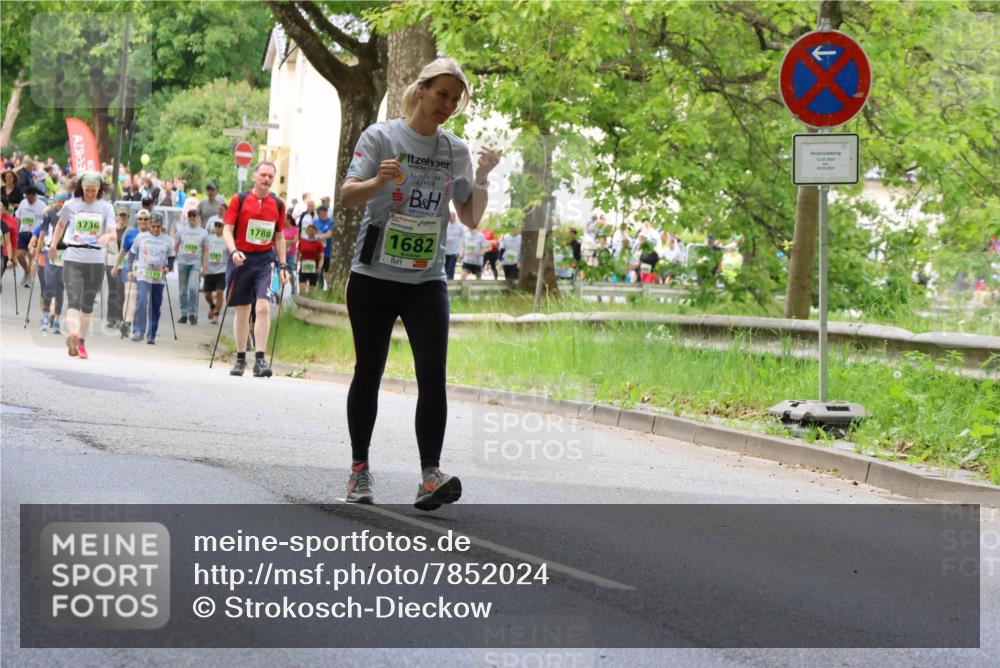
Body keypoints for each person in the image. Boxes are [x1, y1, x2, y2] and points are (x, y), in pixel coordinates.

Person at [340, 57, 500, 510]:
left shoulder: (455, 151)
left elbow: (470, 217)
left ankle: (430, 474)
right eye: (441, 94)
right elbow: (348, 194)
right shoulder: (382, 136)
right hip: (374, 274)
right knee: (368, 371)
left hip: (427, 278)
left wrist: (483, 176)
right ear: (421, 90)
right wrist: (378, 180)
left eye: (455, 99)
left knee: (432, 373)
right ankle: (358, 470)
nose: (447, 105)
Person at [222, 161, 289, 377]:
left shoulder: (278, 205)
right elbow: (227, 230)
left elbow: (279, 237)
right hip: (241, 258)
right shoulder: (239, 199)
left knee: (263, 307)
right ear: (254, 176)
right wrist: (233, 252)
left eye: (271, 176)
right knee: (243, 310)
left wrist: (283, 265)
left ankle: (260, 360)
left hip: (265, 261)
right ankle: (240, 357)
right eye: (263, 175)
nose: (267, 179)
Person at [47, 172, 116, 359]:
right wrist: (53, 244)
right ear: (81, 188)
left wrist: (106, 237)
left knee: (87, 305)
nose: (91, 194)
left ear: (100, 189)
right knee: (74, 300)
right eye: (87, 190)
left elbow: (113, 233)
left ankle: (82, 342)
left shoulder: (106, 207)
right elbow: (60, 225)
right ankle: (72, 334)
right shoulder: (71, 204)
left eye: (94, 190)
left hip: (94, 260)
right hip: (73, 257)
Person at [128, 213, 175, 344]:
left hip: (158, 277)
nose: (155, 229)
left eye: (158, 227)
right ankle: (138, 330)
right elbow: (132, 253)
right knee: (141, 301)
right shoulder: (141, 237)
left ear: (161, 226)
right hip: (143, 274)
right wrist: (131, 269)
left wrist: (168, 268)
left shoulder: (167, 240)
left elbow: (171, 257)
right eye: (153, 226)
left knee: (155, 305)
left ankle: (151, 334)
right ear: (149, 225)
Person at [175, 209, 208, 324]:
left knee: (193, 288)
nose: (192, 217)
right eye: (190, 215)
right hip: (183, 262)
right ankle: (184, 314)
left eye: (194, 215)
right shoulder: (181, 231)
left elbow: (206, 251)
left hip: (195, 263)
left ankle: (192, 313)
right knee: (182, 291)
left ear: (199, 218)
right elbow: (176, 245)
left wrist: (204, 267)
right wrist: (175, 259)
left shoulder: (203, 233)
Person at [15, 189, 47, 286]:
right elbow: (18, 217)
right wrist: (17, 230)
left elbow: (45, 221)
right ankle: (27, 271)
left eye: (30, 198)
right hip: (23, 232)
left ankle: (28, 278)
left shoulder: (42, 205)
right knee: (19, 255)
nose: (28, 200)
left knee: (31, 254)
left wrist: (41, 234)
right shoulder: (23, 202)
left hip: (34, 233)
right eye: (27, 197)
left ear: (34, 195)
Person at [203, 220, 227, 324]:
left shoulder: (227, 240)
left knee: (219, 292)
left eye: (220, 226)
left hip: (222, 270)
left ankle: (216, 314)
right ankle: (212, 306)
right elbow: (205, 252)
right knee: (207, 295)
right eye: (216, 225)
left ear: (224, 227)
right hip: (210, 270)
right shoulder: (209, 238)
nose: (218, 227)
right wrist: (203, 267)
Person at [296, 223, 324, 294]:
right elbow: (297, 253)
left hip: (314, 268)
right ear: (307, 231)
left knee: (311, 292)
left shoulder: (319, 244)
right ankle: (301, 303)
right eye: (310, 230)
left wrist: (319, 267)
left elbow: (321, 258)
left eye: (313, 231)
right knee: (302, 290)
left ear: (316, 232)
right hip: (303, 266)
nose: (311, 232)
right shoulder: (302, 241)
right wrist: (295, 263)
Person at [312, 205, 334, 289]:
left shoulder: (331, 221)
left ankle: (329, 288)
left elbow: (330, 233)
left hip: (328, 251)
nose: (323, 214)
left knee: (327, 272)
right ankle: (319, 289)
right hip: (318, 252)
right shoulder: (315, 222)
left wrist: (319, 237)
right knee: (318, 271)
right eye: (321, 213)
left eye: (325, 213)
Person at [444, 210, 463, 279]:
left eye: (453, 216)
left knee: (451, 267)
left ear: (455, 217)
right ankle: (446, 280)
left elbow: (462, 239)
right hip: (445, 250)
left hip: (455, 250)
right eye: (450, 216)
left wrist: (461, 251)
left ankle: (450, 280)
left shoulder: (459, 227)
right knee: (445, 266)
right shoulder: (445, 225)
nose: (451, 217)